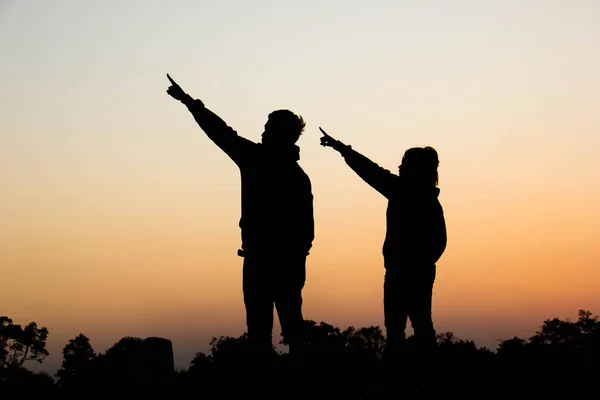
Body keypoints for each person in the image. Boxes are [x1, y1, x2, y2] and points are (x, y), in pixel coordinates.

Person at [166, 74, 314, 365]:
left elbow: (220, 132)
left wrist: (188, 102)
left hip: (267, 262)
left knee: (268, 334)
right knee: (284, 330)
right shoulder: (295, 175)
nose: (262, 132)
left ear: (279, 134)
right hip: (279, 262)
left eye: (268, 128)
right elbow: (307, 230)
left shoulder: (259, 161)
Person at [319, 127, 446, 392]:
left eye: (404, 164)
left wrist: (342, 149)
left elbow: (371, 171)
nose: (398, 167)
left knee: (409, 330)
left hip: (407, 273)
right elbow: (371, 170)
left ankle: (409, 382)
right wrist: (342, 149)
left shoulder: (404, 193)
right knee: (413, 328)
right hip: (406, 272)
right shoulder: (419, 197)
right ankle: (415, 381)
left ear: (415, 169)